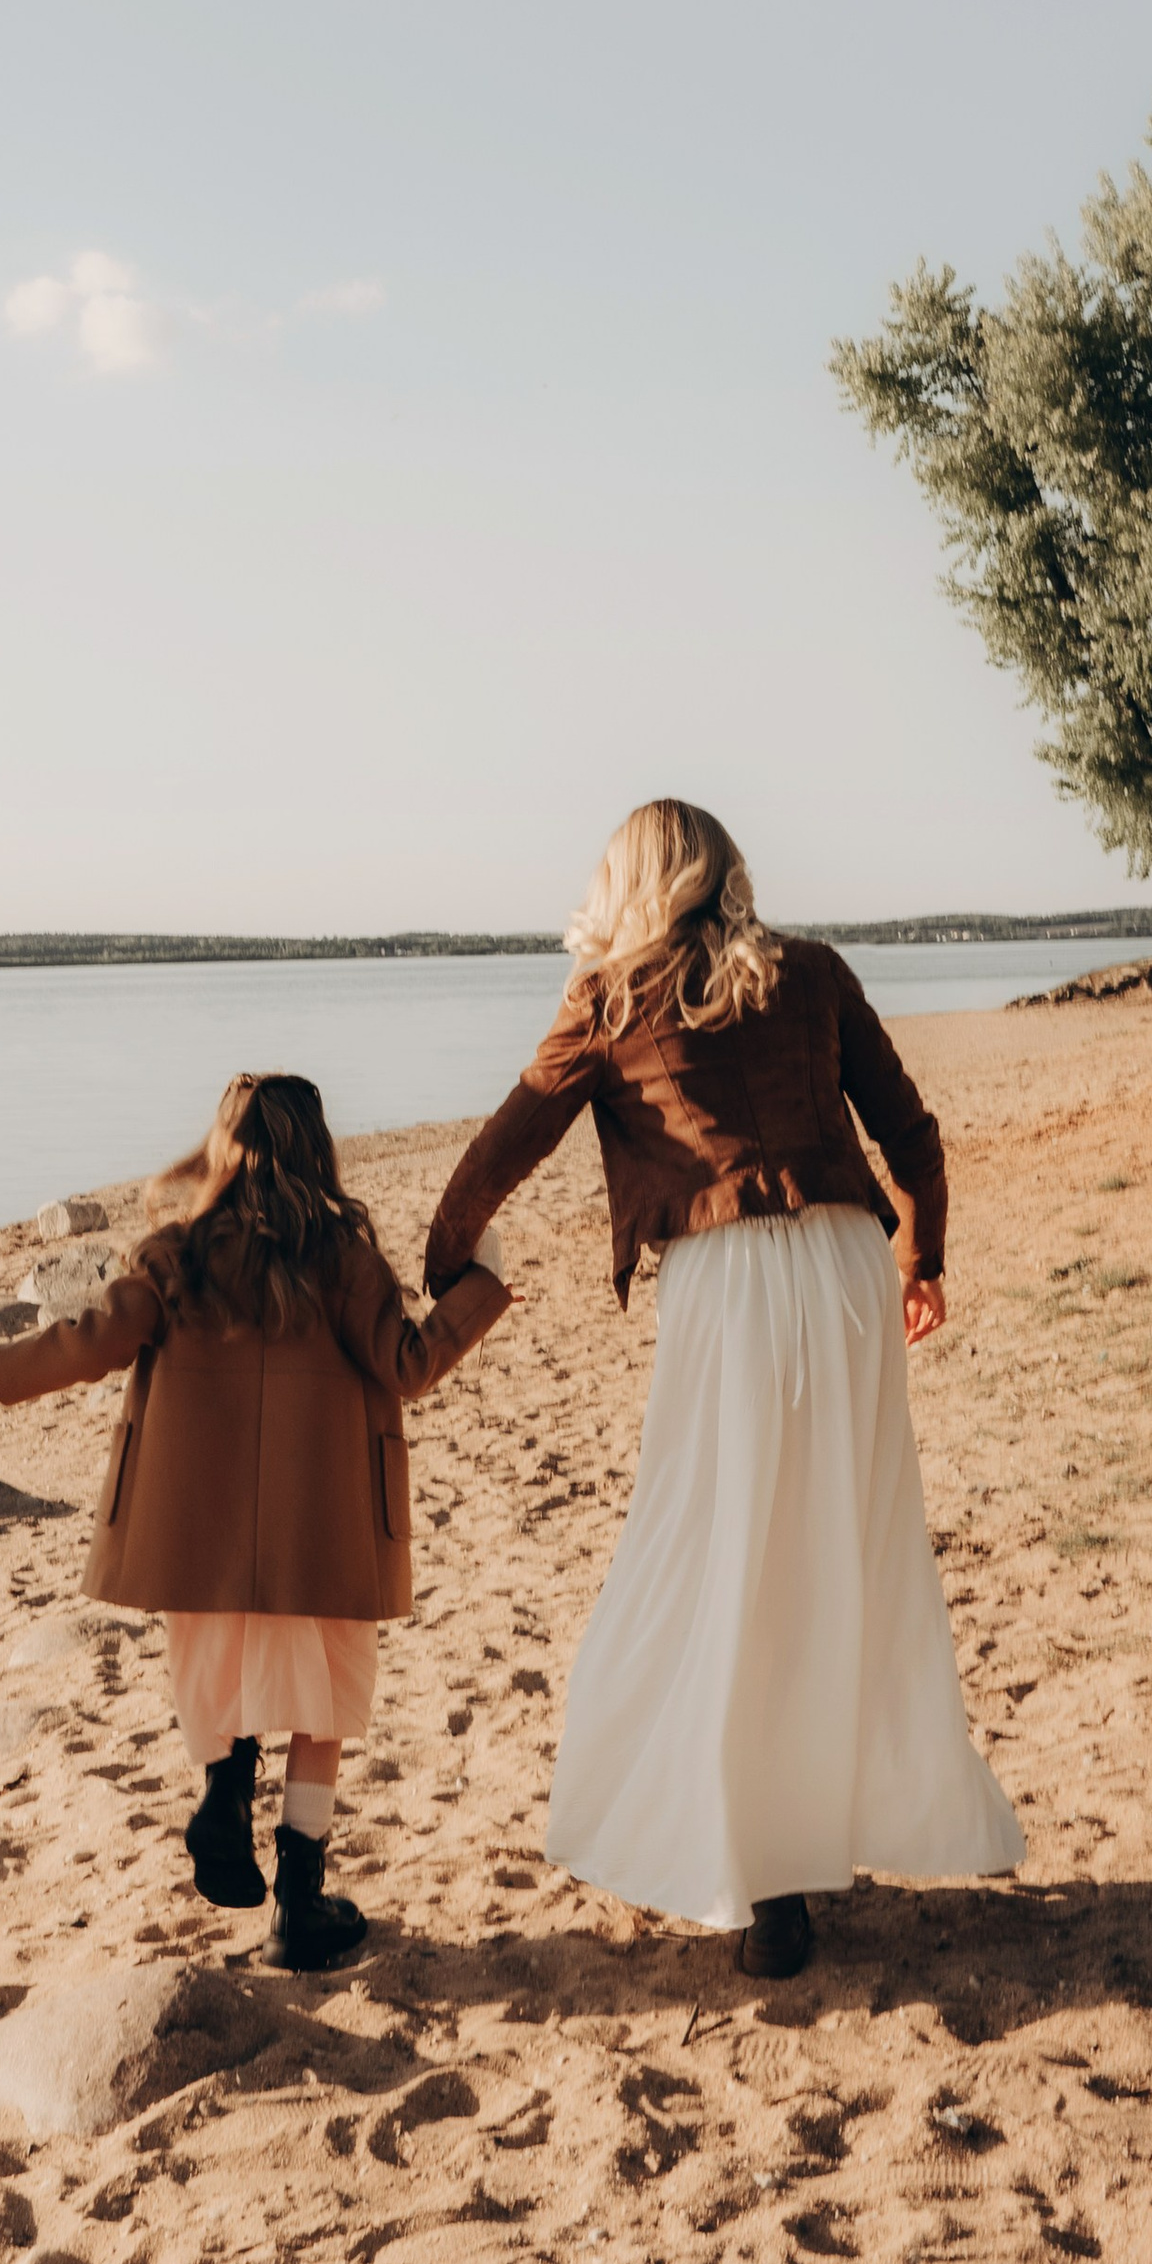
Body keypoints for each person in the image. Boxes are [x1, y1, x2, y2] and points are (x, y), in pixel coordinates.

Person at [422, 799, 1020, 1982]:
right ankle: (798, 1858)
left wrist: (447, 1259)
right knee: (831, 1557)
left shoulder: (609, 996)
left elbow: (507, 1143)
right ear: (723, 872)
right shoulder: (812, 971)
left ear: (628, 882)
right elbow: (910, 1129)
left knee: (715, 1556)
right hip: (847, 1266)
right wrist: (923, 1255)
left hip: (731, 1284)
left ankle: (766, 1883)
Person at [0, 1071, 510, 1969]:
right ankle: (299, 1906)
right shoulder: (347, 1262)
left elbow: (91, 1342)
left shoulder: (176, 1255)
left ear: (220, 1147)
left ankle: (224, 1788)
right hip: (323, 1538)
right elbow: (410, 1364)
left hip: (199, 1542)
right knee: (319, 1713)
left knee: (221, 1682)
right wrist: (480, 1287)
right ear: (318, 1149)